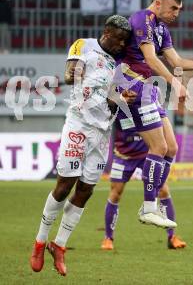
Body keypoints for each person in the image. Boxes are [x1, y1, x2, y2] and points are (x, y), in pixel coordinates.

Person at [30, 15, 133, 277]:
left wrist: (121, 97)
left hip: (102, 132)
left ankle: (59, 245)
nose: (122, 45)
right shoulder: (83, 45)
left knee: (86, 189)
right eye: (119, 40)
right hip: (79, 125)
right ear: (107, 34)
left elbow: (113, 99)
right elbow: (68, 75)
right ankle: (40, 242)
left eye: (125, 41)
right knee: (65, 184)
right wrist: (78, 73)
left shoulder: (118, 64)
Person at [118, 0, 193, 228]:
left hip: (150, 89)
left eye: (179, 9)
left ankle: (151, 206)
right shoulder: (141, 19)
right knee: (159, 146)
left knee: (171, 148)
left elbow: (176, 60)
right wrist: (176, 84)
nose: (177, 13)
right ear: (158, 3)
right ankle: (149, 208)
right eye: (173, 7)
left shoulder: (162, 28)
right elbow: (152, 59)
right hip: (132, 86)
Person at [101, 114, 186, 251]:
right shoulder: (120, 103)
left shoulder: (148, 103)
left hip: (149, 154)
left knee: (163, 189)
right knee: (116, 193)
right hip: (124, 155)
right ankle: (108, 237)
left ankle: (172, 236)